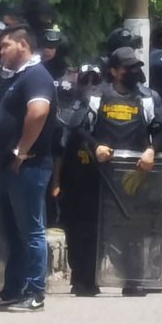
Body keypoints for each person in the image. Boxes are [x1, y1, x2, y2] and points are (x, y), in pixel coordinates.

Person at [0, 24, 57, 312]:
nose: (0, 52)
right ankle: (13, 290)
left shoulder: (37, 76)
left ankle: (35, 292)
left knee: (32, 232)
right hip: (6, 167)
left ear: (23, 45)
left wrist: (22, 151)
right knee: (12, 233)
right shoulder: (16, 78)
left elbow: (38, 112)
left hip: (29, 167)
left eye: (5, 46)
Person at [84, 47, 162, 296]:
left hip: (135, 173)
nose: (133, 71)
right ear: (113, 71)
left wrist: (152, 150)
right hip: (102, 173)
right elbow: (80, 129)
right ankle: (88, 280)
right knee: (98, 226)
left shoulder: (146, 98)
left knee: (134, 228)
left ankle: (134, 279)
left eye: (135, 67)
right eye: (127, 68)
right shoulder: (98, 96)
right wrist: (95, 146)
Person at [57, 64, 102, 296]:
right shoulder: (68, 111)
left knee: (95, 230)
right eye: (86, 80)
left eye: (96, 81)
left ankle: (91, 277)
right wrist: (56, 182)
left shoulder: (105, 110)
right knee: (73, 230)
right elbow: (59, 149)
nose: (91, 86)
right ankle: (78, 276)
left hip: (98, 180)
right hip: (72, 181)